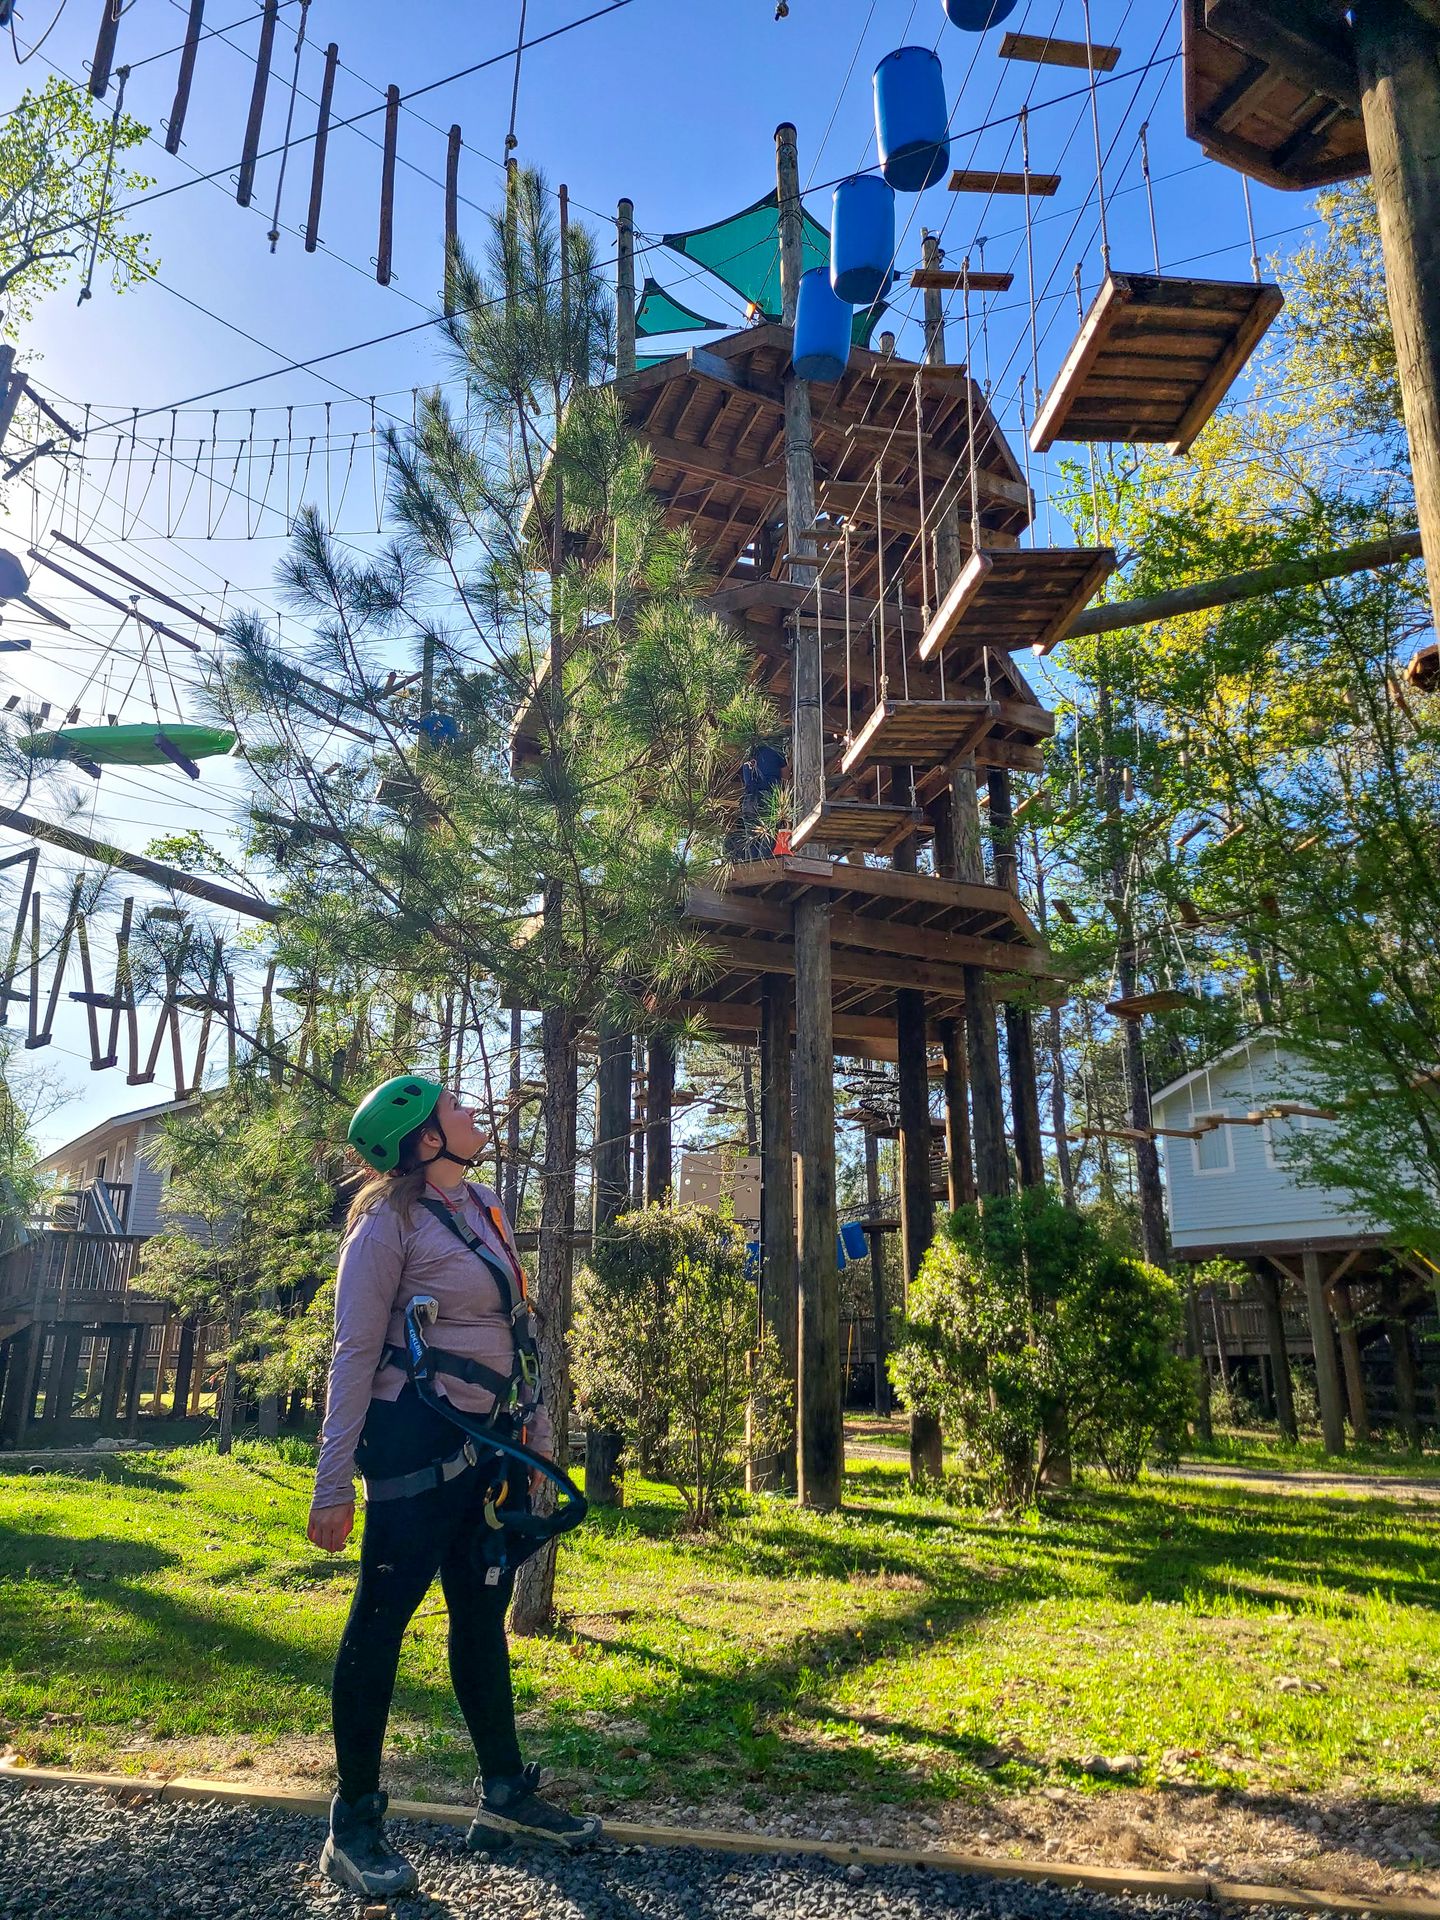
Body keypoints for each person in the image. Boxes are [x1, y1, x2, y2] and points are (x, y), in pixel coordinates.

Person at [308, 1074, 602, 1900]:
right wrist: (332, 1483)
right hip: (414, 1447)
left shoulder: (483, 1205)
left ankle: (505, 1793)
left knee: (479, 1615)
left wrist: (535, 1422)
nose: (474, 1114)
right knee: (381, 1621)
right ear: (426, 1141)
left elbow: (518, 1322)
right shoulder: (384, 1223)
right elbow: (354, 1351)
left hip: (491, 1446)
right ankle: (354, 1826)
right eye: (457, 1109)